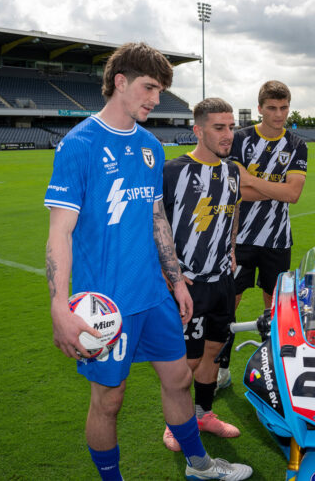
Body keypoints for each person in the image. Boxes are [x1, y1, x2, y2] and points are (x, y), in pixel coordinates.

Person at [44, 42, 251, 481]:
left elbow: (158, 219)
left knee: (178, 379)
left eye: (160, 90)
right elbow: (59, 232)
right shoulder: (79, 144)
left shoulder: (150, 146)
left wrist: (175, 282)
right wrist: (59, 306)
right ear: (120, 82)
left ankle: (199, 465)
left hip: (155, 295)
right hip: (106, 303)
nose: (156, 99)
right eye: (150, 88)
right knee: (109, 399)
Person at [160, 98, 243, 451]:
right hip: (187, 285)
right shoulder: (173, 171)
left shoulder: (233, 171)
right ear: (198, 130)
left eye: (231, 127)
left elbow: (232, 212)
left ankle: (203, 414)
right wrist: (167, 270)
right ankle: (175, 425)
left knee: (214, 351)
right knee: (187, 361)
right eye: (219, 127)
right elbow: (153, 223)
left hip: (222, 282)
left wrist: (232, 248)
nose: (228, 134)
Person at [218, 80, 307, 387]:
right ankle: (221, 371)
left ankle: (272, 374)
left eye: (284, 108)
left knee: (274, 311)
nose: (279, 114)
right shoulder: (240, 139)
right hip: (238, 239)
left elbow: (293, 194)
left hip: (277, 240)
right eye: (272, 108)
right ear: (260, 108)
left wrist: (251, 180)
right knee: (228, 306)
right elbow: (236, 191)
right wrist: (275, 188)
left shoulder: (297, 144)